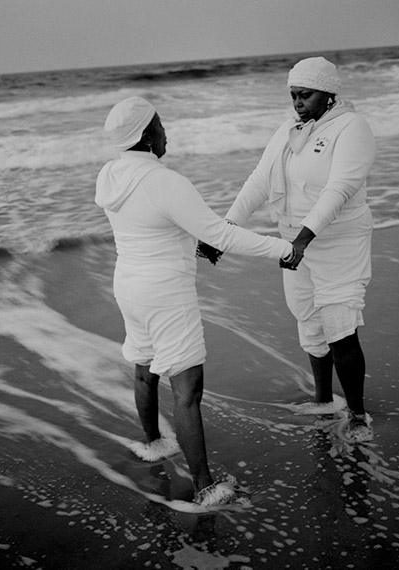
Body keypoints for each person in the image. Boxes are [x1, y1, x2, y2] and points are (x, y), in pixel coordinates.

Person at [95, 96, 300, 507]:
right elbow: (220, 235)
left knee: (144, 368)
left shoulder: (109, 177)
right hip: (167, 293)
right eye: (160, 124)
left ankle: (153, 443)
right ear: (147, 135)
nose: (165, 131)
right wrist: (283, 249)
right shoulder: (165, 181)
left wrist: (196, 240)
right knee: (186, 388)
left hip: (129, 286)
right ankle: (205, 485)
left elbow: (162, 226)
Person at [210, 57, 377, 441]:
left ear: (329, 94)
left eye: (306, 95)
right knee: (308, 319)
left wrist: (303, 239)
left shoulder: (352, 128)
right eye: (293, 95)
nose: (297, 103)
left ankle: (356, 414)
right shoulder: (289, 130)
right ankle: (322, 399)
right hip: (293, 241)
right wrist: (227, 227)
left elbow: (340, 189)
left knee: (340, 327)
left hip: (338, 241)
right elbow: (259, 180)